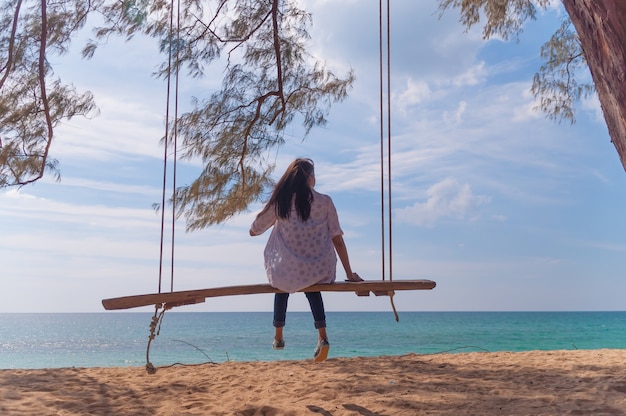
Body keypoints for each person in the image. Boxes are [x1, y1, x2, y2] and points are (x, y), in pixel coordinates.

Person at [249, 158, 362, 362]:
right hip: (319, 269)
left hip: (286, 269)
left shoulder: (281, 201)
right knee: (312, 287)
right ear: (310, 177)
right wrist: (349, 273)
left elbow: (254, 230)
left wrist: (271, 213)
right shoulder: (325, 201)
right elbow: (337, 239)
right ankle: (323, 337)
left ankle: (279, 336)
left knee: (282, 284)